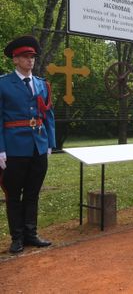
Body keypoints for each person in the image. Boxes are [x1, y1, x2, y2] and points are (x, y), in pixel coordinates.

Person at [0, 35, 55, 254]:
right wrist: (1, 148)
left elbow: (48, 115)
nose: (30, 60)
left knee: (33, 193)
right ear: (15, 60)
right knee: (14, 195)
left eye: (32, 56)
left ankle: (31, 233)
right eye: (25, 56)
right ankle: (17, 238)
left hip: (38, 146)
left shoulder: (42, 84)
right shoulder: (3, 84)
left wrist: (50, 143)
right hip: (14, 147)